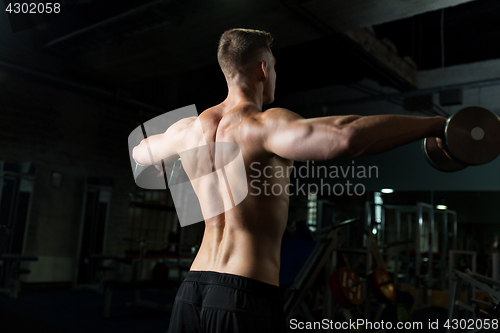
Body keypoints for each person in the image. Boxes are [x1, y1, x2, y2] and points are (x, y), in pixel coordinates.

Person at [132, 28, 447, 333]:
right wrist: (436, 125)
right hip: (244, 293)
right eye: (275, 67)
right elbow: (346, 136)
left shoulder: (186, 130)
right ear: (264, 69)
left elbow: (142, 151)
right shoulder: (264, 124)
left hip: (192, 290)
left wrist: (164, 160)